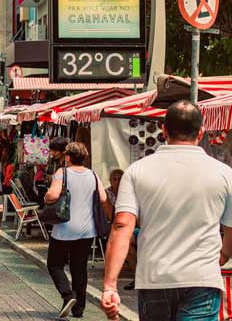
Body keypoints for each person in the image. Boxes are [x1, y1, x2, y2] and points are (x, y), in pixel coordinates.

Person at [102, 101, 232, 321]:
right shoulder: (224, 174)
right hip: (202, 279)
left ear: (164, 131)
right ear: (201, 132)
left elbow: (122, 225)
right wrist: (224, 254)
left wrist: (109, 285)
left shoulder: (137, 171)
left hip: (155, 279)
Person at [44, 142, 107, 319]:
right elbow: (102, 197)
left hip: (65, 228)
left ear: (68, 157)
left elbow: (53, 195)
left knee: (54, 264)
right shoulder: (93, 174)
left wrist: (47, 196)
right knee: (79, 268)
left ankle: (67, 294)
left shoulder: (62, 172)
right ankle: (78, 308)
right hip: (87, 230)